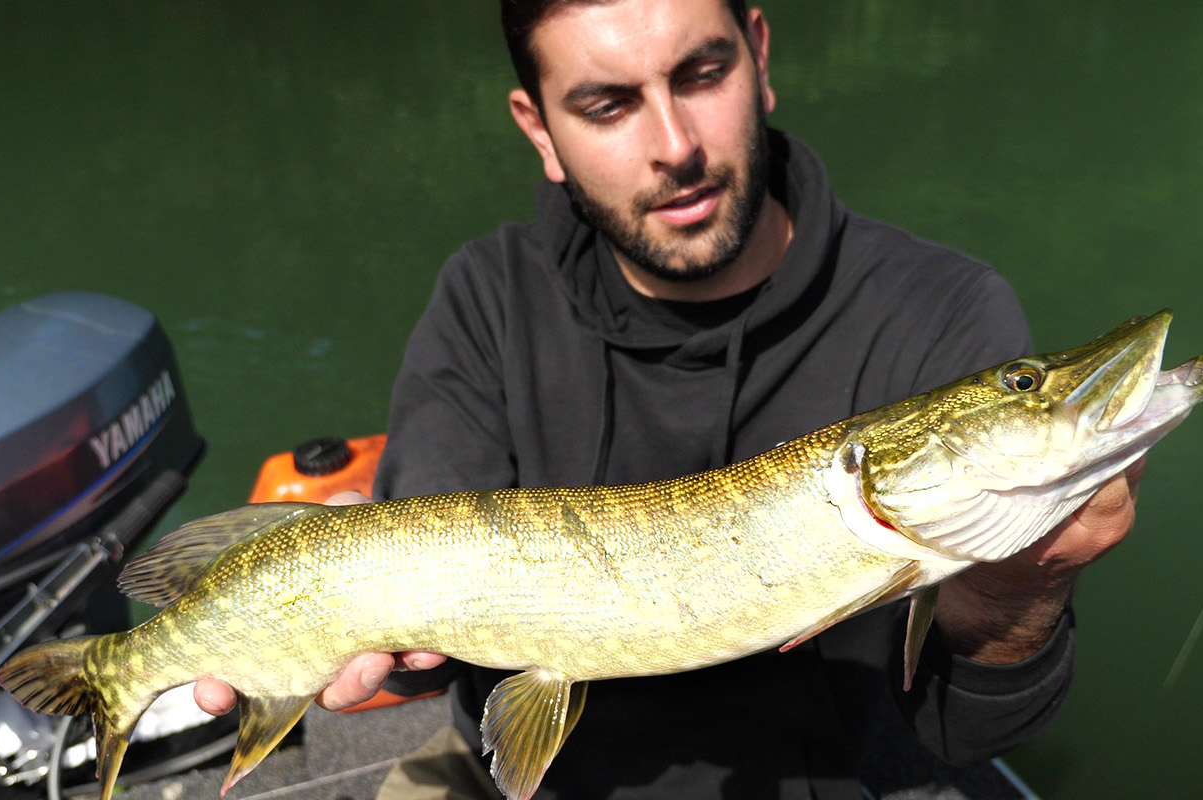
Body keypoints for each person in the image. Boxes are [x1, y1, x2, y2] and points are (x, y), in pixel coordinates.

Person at [198, 1, 1141, 797]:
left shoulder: (942, 312)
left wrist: (1023, 584)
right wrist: (376, 632)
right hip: (533, 769)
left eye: (700, 73)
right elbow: (422, 548)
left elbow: (968, 730)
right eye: (607, 105)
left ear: (760, 58)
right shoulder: (486, 296)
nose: (675, 147)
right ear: (541, 132)